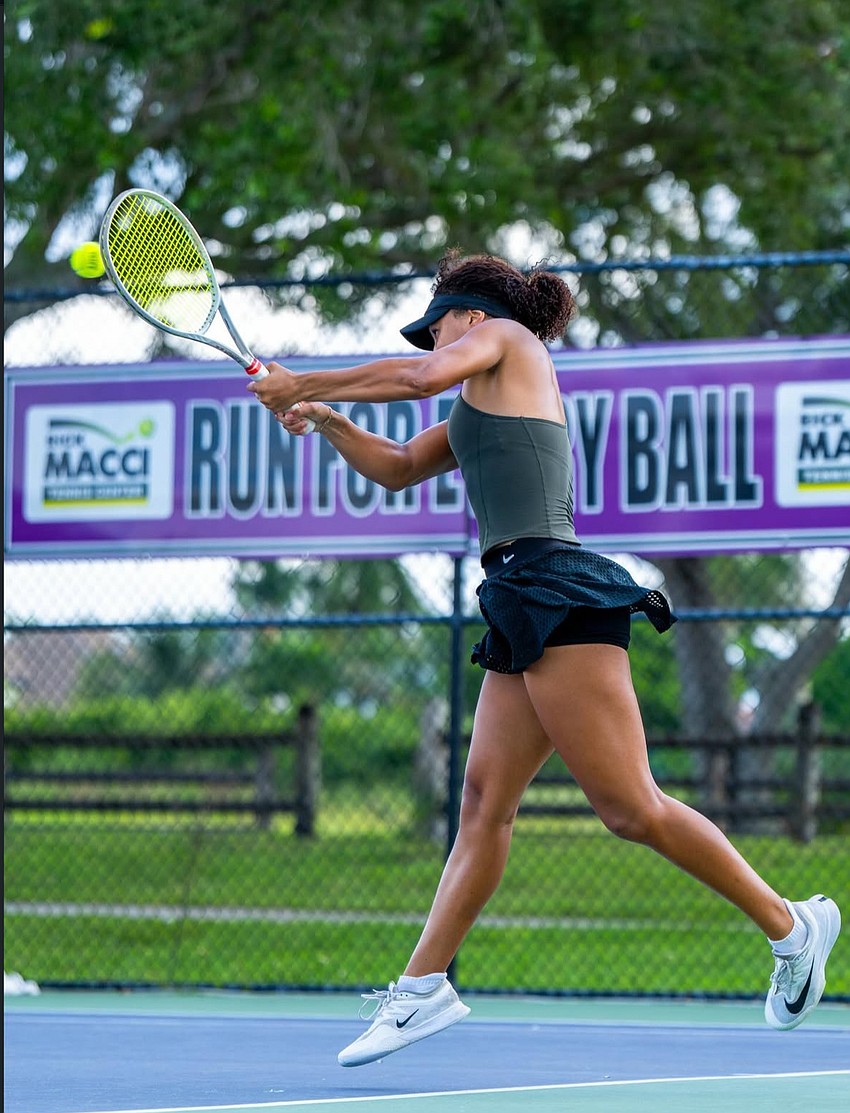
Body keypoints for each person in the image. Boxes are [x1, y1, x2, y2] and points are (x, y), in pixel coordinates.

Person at [248, 250, 841, 1068]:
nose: (436, 342)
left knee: (631, 808)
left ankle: (791, 925)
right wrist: (325, 417)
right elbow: (395, 469)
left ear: (472, 317)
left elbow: (418, 378)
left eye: (439, 326)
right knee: (484, 804)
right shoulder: (471, 409)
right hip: (521, 599)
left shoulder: (513, 346)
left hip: (559, 588)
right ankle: (422, 988)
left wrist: (304, 380)